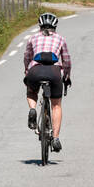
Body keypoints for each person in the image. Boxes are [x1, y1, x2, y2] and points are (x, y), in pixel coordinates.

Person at [23, 11, 72, 152]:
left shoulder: (32, 38)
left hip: (35, 71)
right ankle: (56, 138)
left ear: (40, 26)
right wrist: (67, 75)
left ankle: (32, 110)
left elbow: (27, 57)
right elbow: (67, 60)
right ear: (55, 27)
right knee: (56, 105)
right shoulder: (61, 39)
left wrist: (27, 70)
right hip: (54, 72)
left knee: (31, 91)